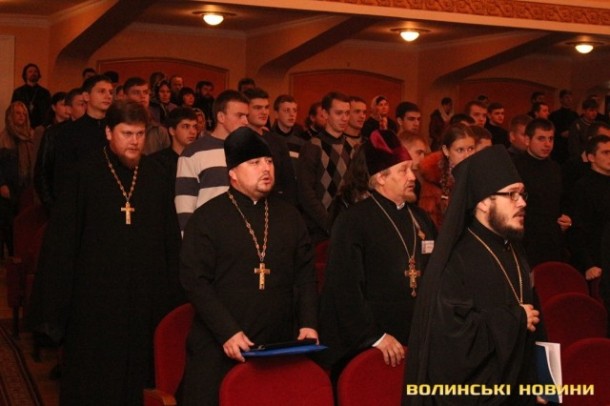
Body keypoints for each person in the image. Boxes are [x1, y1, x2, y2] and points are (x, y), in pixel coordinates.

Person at [28, 101, 183, 405]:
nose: (134, 141)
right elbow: (62, 243)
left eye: (140, 134)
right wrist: (55, 308)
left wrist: (172, 295)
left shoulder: (155, 175)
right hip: (93, 301)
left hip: (143, 299)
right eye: (127, 134)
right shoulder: (84, 173)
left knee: (139, 379)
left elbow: (169, 239)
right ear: (109, 133)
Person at [179, 126, 318, 405]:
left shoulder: (289, 216)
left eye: (268, 162)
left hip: (277, 345)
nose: (265, 169)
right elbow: (195, 281)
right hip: (221, 344)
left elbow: (305, 276)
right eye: (254, 163)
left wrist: (308, 323)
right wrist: (227, 332)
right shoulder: (207, 218)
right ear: (233, 173)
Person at [405, 145, 540, 405]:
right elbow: (452, 339)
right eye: (512, 195)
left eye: (522, 194)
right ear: (483, 202)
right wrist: (514, 318)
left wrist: (540, 380)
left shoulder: (514, 249)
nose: (522, 202)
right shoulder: (456, 261)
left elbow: (535, 321)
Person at [318, 130, 436, 381]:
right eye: (403, 170)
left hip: (414, 336)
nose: (412, 177)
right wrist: (374, 336)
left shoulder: (421, 219)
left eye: (411, 169)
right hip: (370, 342)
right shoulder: (353, 221)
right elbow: (344, 289)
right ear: (381, 178)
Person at [513, 118, 571, 266]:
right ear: (527, 140)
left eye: (551, 139)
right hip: (525, 240)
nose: (547, 144)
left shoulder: (555, 168)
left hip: (552, 239)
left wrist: (565, 218)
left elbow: (561, 200)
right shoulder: (515, 167)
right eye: (541, 139)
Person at [568, 135, 610, 333]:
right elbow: (577, 230)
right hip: (598, 264)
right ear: (591, 157)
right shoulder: (583, 187)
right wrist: (589, 264)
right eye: (606, 153)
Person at [418, 123, 476, 229]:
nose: (467, 156)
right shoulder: (434, 180)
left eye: (471, 149)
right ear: (446, 151)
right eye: (460, 150)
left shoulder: (480, 176)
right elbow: (429, 226)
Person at [0, 101, 35, 254]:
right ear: (10, 116)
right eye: (17, 113)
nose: (21, 116)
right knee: (8, 223)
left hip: (27, 188)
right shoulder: (3, 139)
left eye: (24, 114)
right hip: (8, 188)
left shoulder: (30, 136)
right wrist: (1, 184)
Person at [11, 63, 52, 129]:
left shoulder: (45, 92)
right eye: (30, 71)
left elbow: (48, 111)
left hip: (40, 127)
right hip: (22, 126)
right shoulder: (18, 92)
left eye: (35, 71)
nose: (33, 73)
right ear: (25, 75)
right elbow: (13, 110)